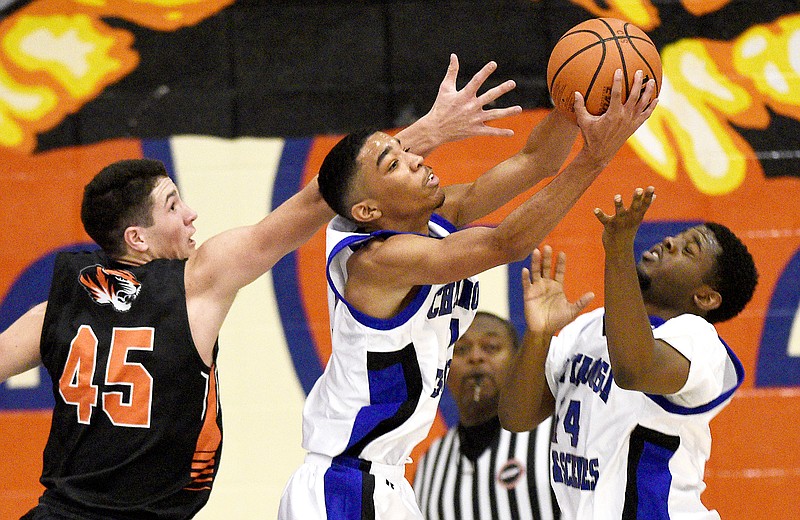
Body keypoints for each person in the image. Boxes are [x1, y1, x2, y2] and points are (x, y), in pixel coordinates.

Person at [0, 53, 521, 520]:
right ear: (137, 238)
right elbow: (321, 199)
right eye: (173, 205)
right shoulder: (194, 282)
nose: (191, 213)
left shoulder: (58, 304)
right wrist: (425, 131)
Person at [277, 65, 658, 520]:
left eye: (403, 148)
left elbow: (536, 161)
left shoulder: (433, 217)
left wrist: (574, 101)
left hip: (384, 478)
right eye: (394, 164)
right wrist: (595, 158)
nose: (416, 158)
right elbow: (506, 243)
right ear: (368, 209)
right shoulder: (375, 262)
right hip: (343, 484)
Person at [498, 187, 758, 519]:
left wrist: (618, 248)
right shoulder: (589, 326)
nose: (668, 241)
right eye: (676, 236)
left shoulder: (699, 342)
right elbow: (516, 417)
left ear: (705, 297)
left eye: (688, 249)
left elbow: (634, 370)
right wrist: (539, 334)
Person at [413, 311, 560, 520]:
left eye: (491, 347)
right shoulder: (431, 461)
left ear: (518, 362)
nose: (475, 357)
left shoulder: (556, 438)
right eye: (461, 349)